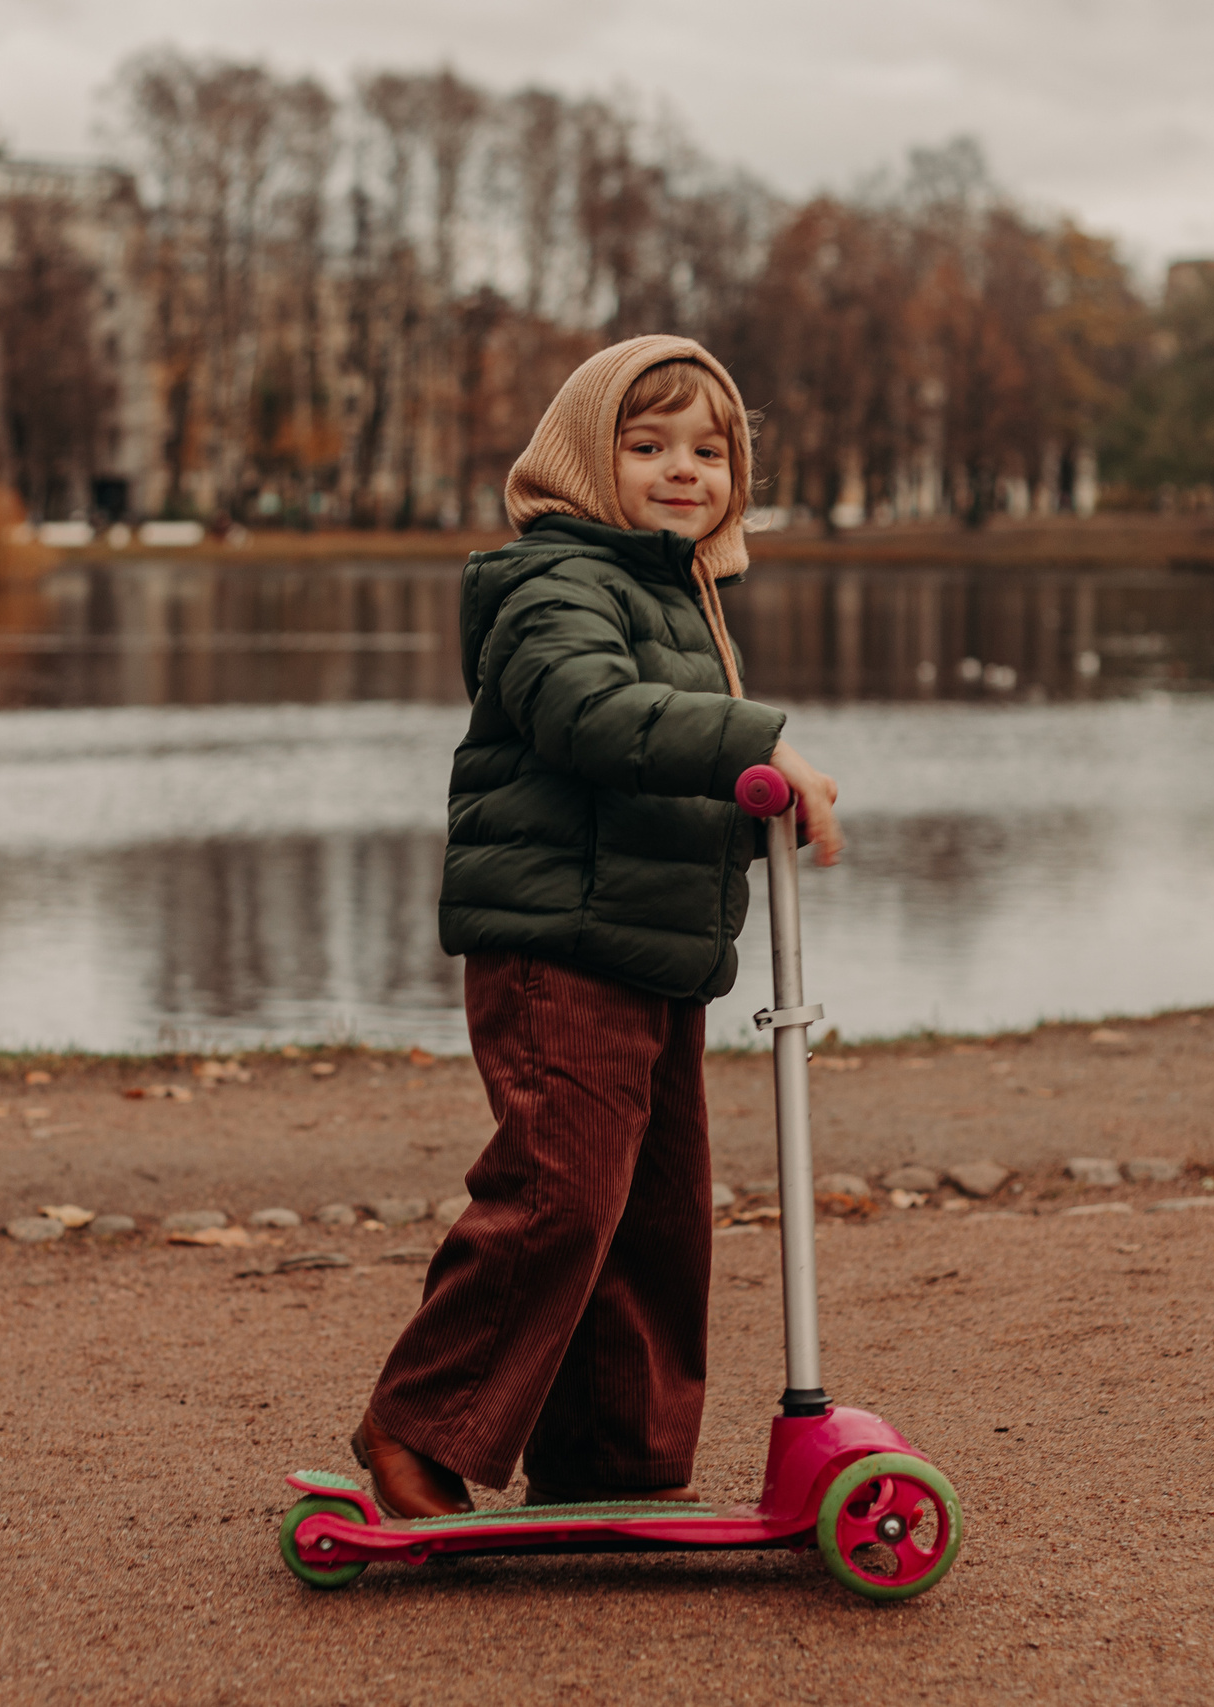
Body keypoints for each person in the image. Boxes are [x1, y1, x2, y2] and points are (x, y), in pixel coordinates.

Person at [347, 334, 844, 1518]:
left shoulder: (681, 594)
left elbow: (657, 745)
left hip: (652, 950)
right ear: (585, 457)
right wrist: (750, 743)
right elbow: (588, 714)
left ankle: (612, 1455)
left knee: (657, 1214)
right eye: (649, 444)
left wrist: (738, 795)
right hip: (557, 948)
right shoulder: (551, 583)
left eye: (710, 451)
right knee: (559, 1193)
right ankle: (414, 1429)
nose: (685, 470)